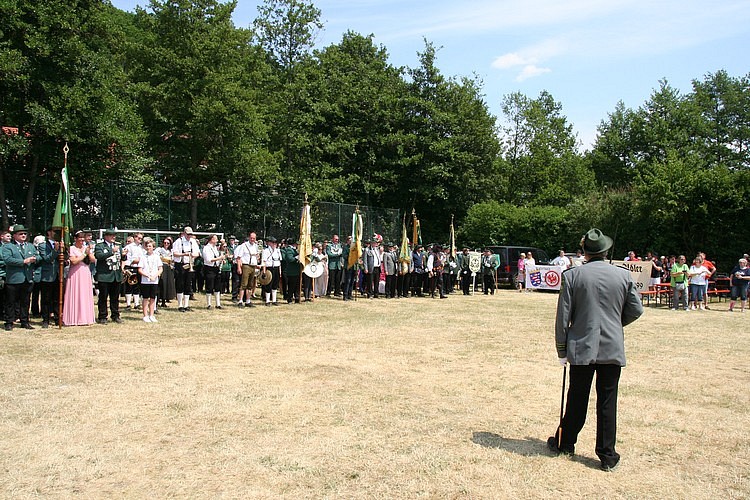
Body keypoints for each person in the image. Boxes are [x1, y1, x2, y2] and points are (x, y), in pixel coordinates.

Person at [547, 228, 643, 472]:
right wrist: (615, 323)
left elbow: (563, 317)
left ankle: (566, 443)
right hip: (612, 345)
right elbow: (636, 310)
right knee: (608, 402)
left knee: (577, 398)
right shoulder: (623, 275)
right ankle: (607, 455)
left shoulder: (572, 276)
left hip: (581, 345)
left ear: (585, 251)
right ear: (606, 251)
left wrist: (561, 350)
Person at [2, 225, 39, 330]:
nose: (23, 235)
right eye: (20, 234)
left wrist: (35, 259)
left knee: (25, 301)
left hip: (27, 278)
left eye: (25, 234)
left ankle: (25, 321)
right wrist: (23, 261)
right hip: (14, 279)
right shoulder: (8, 246)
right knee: (11, 302)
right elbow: (7, 259)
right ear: (14, 236)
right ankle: (9, 322)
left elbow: (38, 256)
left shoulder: (30, 246)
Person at [62, 230, 96, 326]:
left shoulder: (86, 248)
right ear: (75, 239)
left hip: (85, 272)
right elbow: (74, 261)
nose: (81, 240)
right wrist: (84, 254)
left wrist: (89, 252)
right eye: (80, 238)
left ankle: (85, 317)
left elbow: (93, 260)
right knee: (75, 292)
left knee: (84, 294)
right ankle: (74, 317)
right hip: (75, 273)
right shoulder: (72, 248)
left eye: (83, 238)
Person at [94, 229, 123, 324]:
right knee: (103, 297)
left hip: (116, 275)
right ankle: (102, 316)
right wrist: (111, 251)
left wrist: (124, 255)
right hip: (104, 276)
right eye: (111, 235)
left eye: (114, 235)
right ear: (106, 236)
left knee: (115, 298)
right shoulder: (100, 246)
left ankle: (115, 315)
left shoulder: (118, 245)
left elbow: (121, 259)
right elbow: (99, 256)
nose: (114, 237)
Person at [36, 227, 61, 328]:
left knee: (57, 299)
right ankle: (45, 319)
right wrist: (55, 250)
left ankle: (57, 318)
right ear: (49, 233)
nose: (56, 234)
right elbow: (47, 258)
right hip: (47, 275)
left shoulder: (60, 244)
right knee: (46, 299)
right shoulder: (43, 245)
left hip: (58, 275)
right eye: (54, 231)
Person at [172, 227, 200, 312]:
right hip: (180, 264)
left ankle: (186, 305)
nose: (189, 236)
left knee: (188, 284)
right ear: (184, 233)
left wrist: (193, 255)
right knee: (180, 284)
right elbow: (175, 253)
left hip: (189, 264)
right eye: (188, 234)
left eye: (190, 234)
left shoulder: (193, 241)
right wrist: (184, 254)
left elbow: (197, 253)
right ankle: (180, 305)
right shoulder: (178, 241)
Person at [137, 237, 163, 322]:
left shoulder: (157, 257)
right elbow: (140, 269)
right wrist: (147, 275)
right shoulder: (143, 257)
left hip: (154, 280)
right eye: (147, 246)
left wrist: (155, 276)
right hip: (145, 281)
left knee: (153, 298)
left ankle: (151, 315)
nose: (148, 248)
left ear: (153, 247)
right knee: (145, 298)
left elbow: (160, 269)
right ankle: (145, 315)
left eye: (150, 246)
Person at [234, 231, 260, 308]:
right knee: (243, 284)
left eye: (254, 238)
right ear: (249, 238)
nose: (252, 239)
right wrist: (239, 267)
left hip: (253, 266)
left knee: (250, 285)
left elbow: (257, 256)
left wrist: (257, 261)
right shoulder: (244, 245)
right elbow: (238, 258)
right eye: (251, 238)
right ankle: (240, 301)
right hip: (246, 265)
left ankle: (248, 300)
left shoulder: (256, 246)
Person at [201, 234, 225, 309]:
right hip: (209, 268)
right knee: (209, 286)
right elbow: (209, 260)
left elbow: (216, 257)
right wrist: (219, 258)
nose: (217, 240)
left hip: (216, 268)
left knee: (217, 286)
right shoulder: (206, 248)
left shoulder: (215, 248)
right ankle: (209, 304)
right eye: (216, 239)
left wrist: (221, 260)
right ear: (211, 240)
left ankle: (218, 304)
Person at [123, 232, 143, 310]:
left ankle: (136, 303)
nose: (140, 240)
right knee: (129, 286)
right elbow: (128, 259)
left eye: (141, 238)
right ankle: (128, 304)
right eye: (139, 238)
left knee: (136, 286)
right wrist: (136, 261)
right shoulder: (129, 247)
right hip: (130, 267)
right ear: (135, 237)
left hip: (138, 267)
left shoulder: (141, 247)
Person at [260, 236, 282, 306]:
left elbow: (279, 261)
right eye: (273, 243)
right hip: (269, 268)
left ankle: (274, 300)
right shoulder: (266, 251)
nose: (274, 244)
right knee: (268, 284)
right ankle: (267, 300)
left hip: (276, 268)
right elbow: (264, 261)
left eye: (275, 243)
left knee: (275, 284)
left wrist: (280, 271)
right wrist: (264, 271)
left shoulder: (278, 251)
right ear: (269, 243)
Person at [156, 237, 176, 307]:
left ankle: (164, 301)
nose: (166, 244)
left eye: (168, 243)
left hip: (169, 268)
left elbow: (173, 259)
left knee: (167, 284)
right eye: (165, 243)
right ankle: (157, 300)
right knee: (161, 284)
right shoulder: (159, 250)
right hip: (161, 267)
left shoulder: (171, 251)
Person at [282, 239, 301, 304]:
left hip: (297, 270)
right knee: (291, 286)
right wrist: (296, 258)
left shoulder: (295, 250)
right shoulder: (289, 249)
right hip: (291, 271)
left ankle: (297, 298)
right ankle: (289, 298)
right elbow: (289, 259)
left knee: (297, 286)